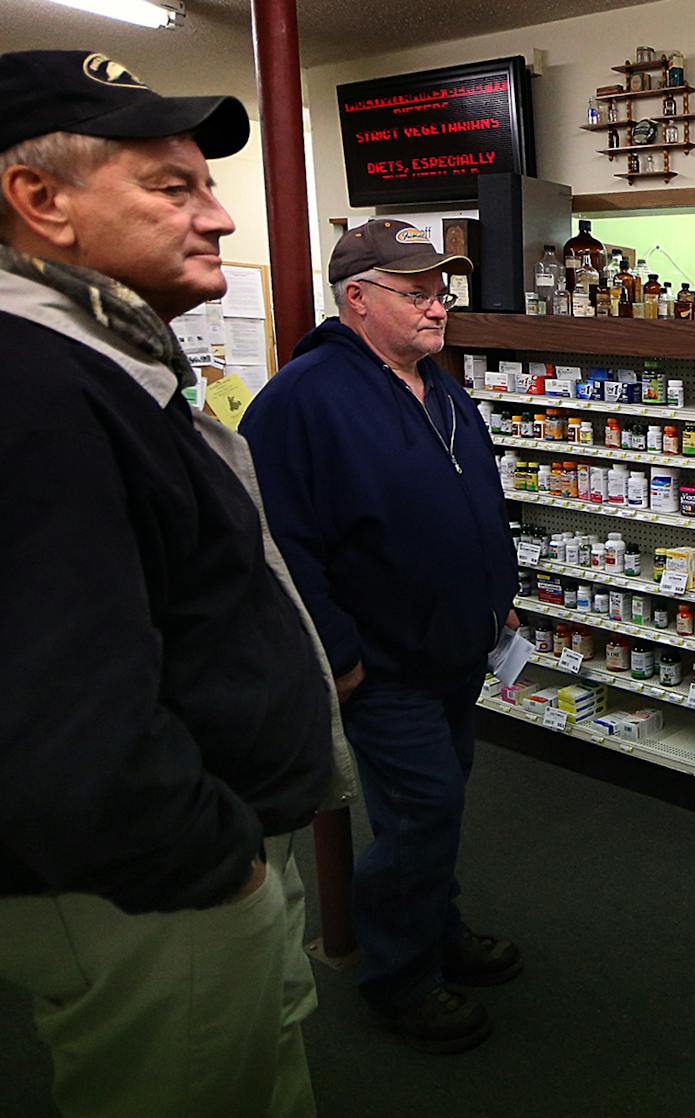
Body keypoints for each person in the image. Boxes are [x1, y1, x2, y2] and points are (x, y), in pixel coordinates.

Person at [0, 50, 356, 1117]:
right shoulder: (32, 388)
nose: (219, 218)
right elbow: (56, 721)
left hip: (194, 849)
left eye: (208, 185)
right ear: (40, 201)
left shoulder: (99, 357)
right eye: (173, 187)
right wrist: (217, 865)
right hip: (152, 886)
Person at [240, 220, 521, 1054]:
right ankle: (399, 977)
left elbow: (473, 501)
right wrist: (339, 655)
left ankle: (437, 926)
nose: (439, 305)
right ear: (357, 299)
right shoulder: (304, 397)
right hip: (384, 665)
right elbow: (279, 543)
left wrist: (497, 598)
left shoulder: (438, 385)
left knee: (440, 805)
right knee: (420, 812)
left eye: (442, 289)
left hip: (455, 651)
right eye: (417, 292)